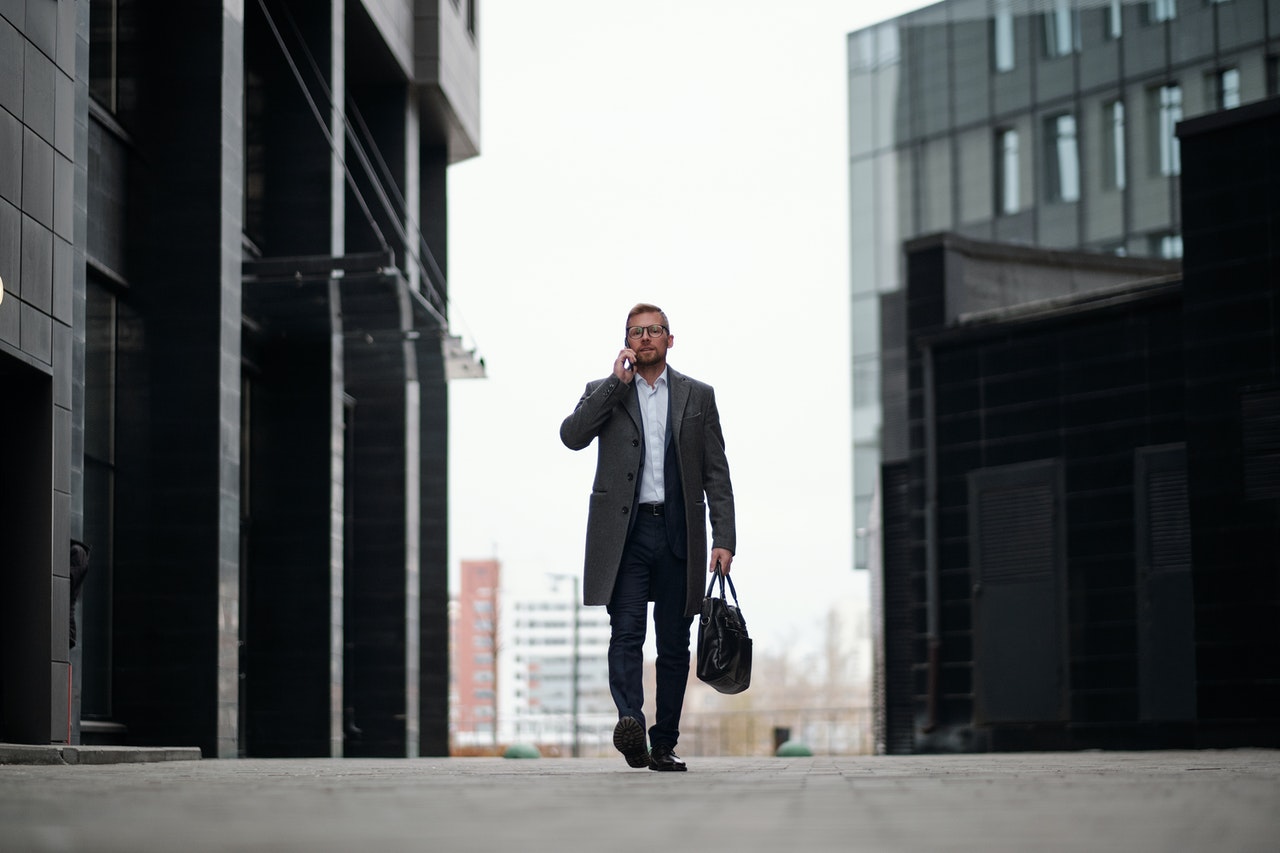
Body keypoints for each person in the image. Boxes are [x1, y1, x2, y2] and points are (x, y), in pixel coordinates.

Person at [560, 303, 736, 771]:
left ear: (669, 340)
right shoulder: (604, 392)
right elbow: (572, 436)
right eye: (635, 332)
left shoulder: (698, 396)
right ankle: (631, 724)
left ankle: (664, 744)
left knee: (674, 644)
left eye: (654, 330)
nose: (645, 338)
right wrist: (614, 387)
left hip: (681, 533)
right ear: (626, 342)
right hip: (627, 535)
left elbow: (717, 472)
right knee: (627, 632)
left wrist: (725, 538)